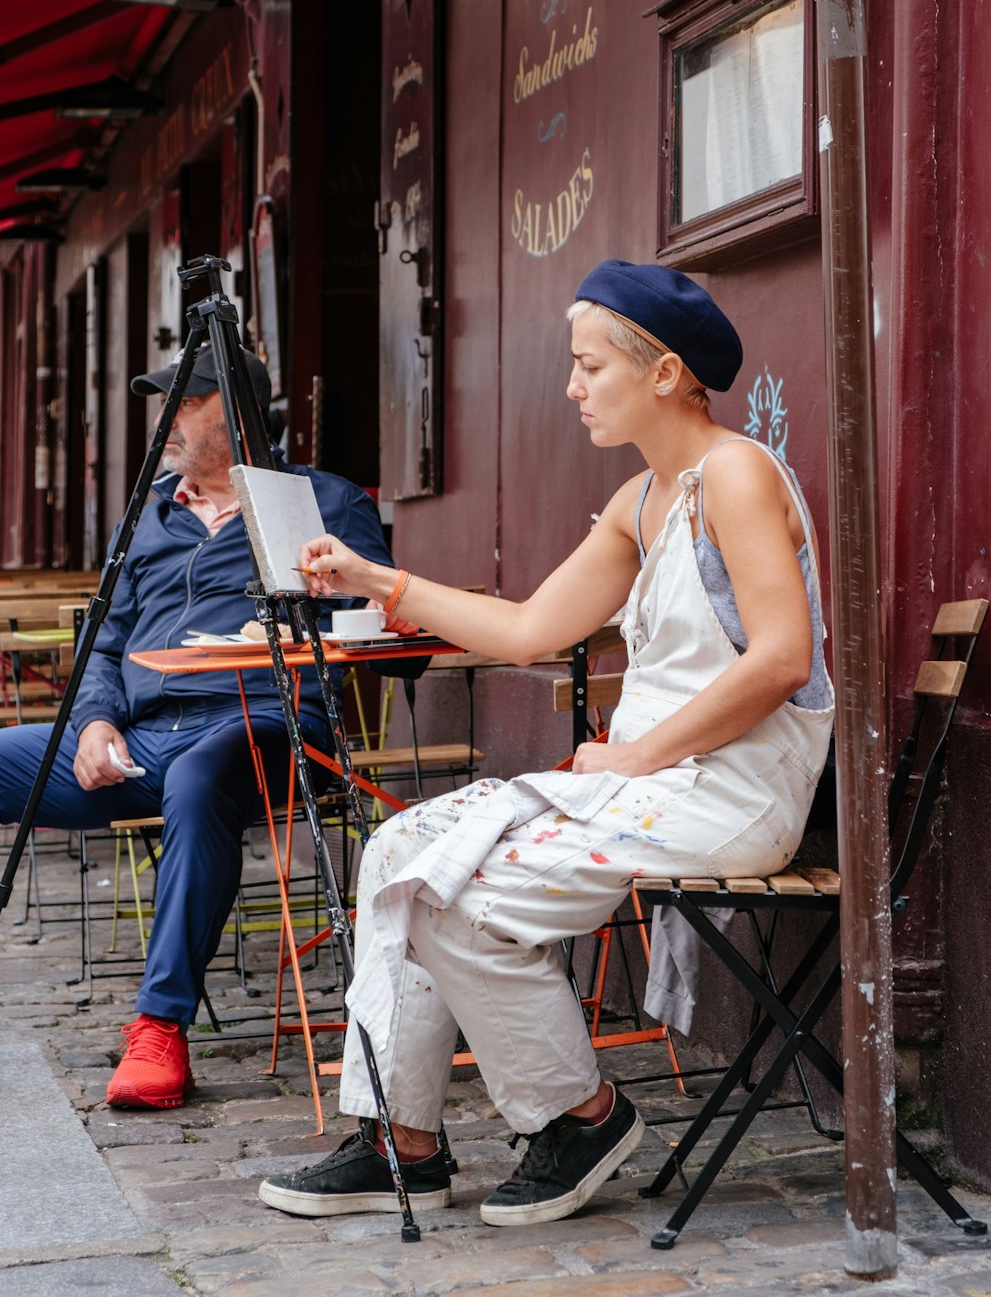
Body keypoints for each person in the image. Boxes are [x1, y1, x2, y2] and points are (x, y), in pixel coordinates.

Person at [258, 260, 834, 1228]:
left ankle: (583, 1116)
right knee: (400, 851)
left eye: (588, 366)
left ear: (661, 374)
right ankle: (403, 1140)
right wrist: (374, 576)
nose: (570, 387)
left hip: (733, 792)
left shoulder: (733, 475)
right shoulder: (642, 499)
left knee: (452, 895)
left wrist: (634, 756)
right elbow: (528, 629)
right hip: (659, 784)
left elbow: (781, 659)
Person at [0, 343, 398, 1111]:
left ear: (240, 413)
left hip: (270, 730)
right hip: (143, 736)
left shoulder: (323, 500)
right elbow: (104, 642)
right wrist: (93, 722)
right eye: (168, 402)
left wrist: (338, 601)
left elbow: (378, 628)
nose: (168, 419)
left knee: (200, 777)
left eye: (186, 401)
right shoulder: (148, 514)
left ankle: (159, 1027)